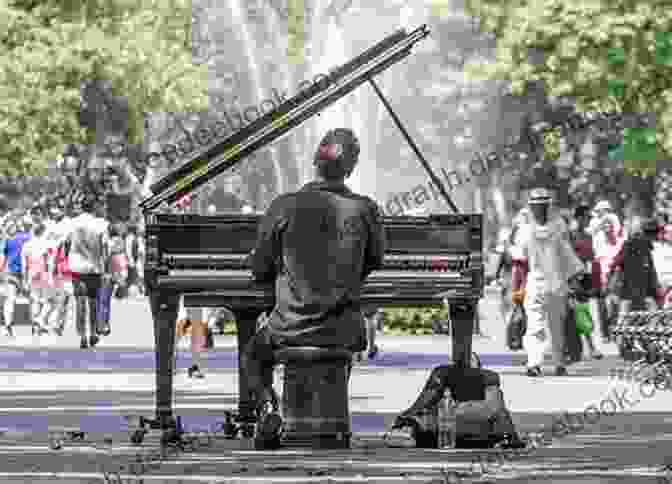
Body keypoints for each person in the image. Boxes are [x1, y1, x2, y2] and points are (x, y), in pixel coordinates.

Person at [240, 128, 386, 446]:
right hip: (344, 326)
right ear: (351, 168)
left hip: (289, 326)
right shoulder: (366, 209)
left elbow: (260, 266)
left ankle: (267, 407)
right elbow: (374, 260)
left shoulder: (283, 206)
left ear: (314, 162)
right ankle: (328, 418)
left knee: (253, 354)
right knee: (339, 344)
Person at [510, 187, 585, 377]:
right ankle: (559, 364)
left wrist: (517, 288)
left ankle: (534, 363)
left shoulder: (525, 229)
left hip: (536, 282)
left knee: (536, 325)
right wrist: (574, 279)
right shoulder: (559, 226)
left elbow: (519, 261)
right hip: (556, 283)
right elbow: (568, 255)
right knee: (556, 326)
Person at [66, 194, 111, 349]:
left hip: (76, 267)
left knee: (79, 300)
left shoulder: (72, 223)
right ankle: (93, 333)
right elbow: (106, 248)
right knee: (92, 301)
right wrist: (105, 269)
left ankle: (82, 335)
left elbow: (66, 243)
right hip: (94, 267)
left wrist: (67, 259)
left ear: (82, 206)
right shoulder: (102, 224)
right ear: (94, 207)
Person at [586, 199, 625, 342]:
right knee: (601, 301)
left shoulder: (616, 228)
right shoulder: (595, 224)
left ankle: (614, 329)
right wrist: (601, 221)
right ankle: (605, 333)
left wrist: (608, 221)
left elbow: (618, 232)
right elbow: (590, 231)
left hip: (613, 267)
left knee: (613, 300)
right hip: (598, 264)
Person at [569, 205, 602, 361]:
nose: (589, 220)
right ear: (579, 218)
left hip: (585, 277)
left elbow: (591, 257)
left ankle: (589, 347)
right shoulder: (570, 235)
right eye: (587, 217)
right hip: (572, 277)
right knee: (574, 312)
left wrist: (594, 278)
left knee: (583, 311)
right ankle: (582, 347)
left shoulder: (588, 236)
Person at [1, 219, 32, 337]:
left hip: (17, 273)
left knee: (11, 300)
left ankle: (8, 326)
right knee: (12, 299)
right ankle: (8, 326)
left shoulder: (11, 239)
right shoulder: (23, 237)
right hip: (16, 273)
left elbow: (3, 257)